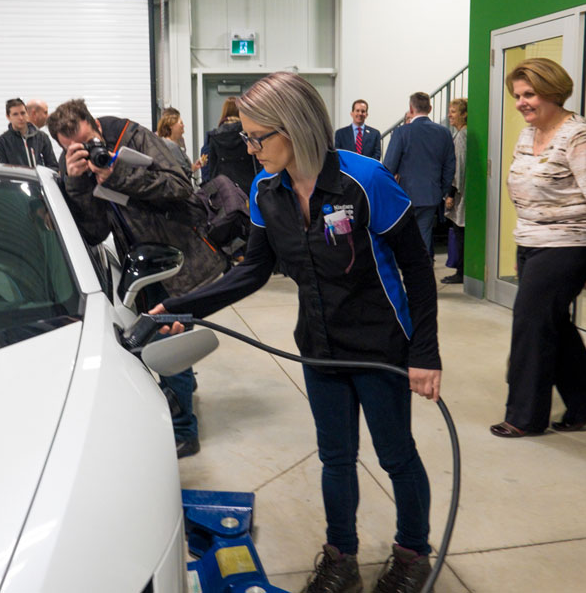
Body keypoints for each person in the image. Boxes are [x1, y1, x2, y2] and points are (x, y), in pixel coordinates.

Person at [150, 72, 440, 593]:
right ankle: (341, 555)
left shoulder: (366, 180)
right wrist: (180, 305)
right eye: (247, 137)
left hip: (379, 347)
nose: (251, 148)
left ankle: (412, 553)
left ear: (297, 128)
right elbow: (252, 271)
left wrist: (426, 353)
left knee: (395, 455)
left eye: (259, 138)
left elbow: (418, 271)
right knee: (334, 457)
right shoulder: (266, 190)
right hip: (319, 347)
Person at [48, 98, 225, 458]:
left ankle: (183, 432)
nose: (89, 151)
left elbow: (179, 186)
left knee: (164, 337)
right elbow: (95, 232)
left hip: (179, 254)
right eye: (76, 149)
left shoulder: (134, 137)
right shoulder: (75, 169)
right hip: (145, 263)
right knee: (165, 338)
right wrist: (78, 184)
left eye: (89, 140)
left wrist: (118, 174)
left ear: (96, 123)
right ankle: (182, 402)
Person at [490, 58, 586, 439]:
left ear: (553, 92)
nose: (521, 103)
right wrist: (520, 242)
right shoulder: (528, 134)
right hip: (532, 242)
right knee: (553, 324)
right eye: (517, 95)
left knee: (530, 324)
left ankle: (525, 416)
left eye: (530, 94)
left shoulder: (580, 138)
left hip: (570, 244)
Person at [383, 92, 455, 259]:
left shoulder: (401, 132)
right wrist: (441, 190)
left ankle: (410, 273)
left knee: (404, 236)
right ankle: (425, 273)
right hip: (431, 194)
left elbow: (388, 167)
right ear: (430, 108)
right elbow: (450, 167)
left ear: (411, 109)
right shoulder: (444, 133)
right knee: (424, 236)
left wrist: (391, 190)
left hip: (404, 194)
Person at [200, 97, 260, 196]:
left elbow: (208, 170)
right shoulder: (248, 135)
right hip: (250, 191)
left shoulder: (213, 137)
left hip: (223, 193)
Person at [442, 98, 468, 284]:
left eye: (453, 111)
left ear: (464, 114)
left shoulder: (462, 137)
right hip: (460, 191)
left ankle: (461, 271)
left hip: (460, 193)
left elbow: (458, 167)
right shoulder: (459, 134)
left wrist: (451, 193)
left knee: (460, 232)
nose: (449, 115)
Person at [0, 98, 57, 168]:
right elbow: (1, 171)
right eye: (15, 114)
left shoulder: (42, 137)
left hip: (39, 179)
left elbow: (53, 166)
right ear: (8, 117)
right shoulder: (1, 143)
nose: (20, 118)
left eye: (23, 113)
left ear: (27, 114)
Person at [155, 108, 194, 178]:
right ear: (171, 125)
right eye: (181, 123)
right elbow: (183, 171)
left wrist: (194, 167)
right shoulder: (170, 146)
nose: (183, 126)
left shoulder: (180, 141)